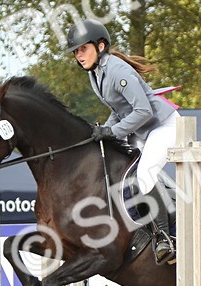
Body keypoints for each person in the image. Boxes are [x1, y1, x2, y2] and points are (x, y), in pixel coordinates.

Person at [64, 19, 178, 264]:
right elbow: (119, 110)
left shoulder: (117, 70)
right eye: (75, 51)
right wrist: (103, 131)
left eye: (83, 49)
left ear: (100, 46)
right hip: (143, 130)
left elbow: (144, 111)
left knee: (144, 174)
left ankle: (164, 238)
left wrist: (112, 132)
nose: (79, 55)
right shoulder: (96, 74)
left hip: (163, 126)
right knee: (122, 168)